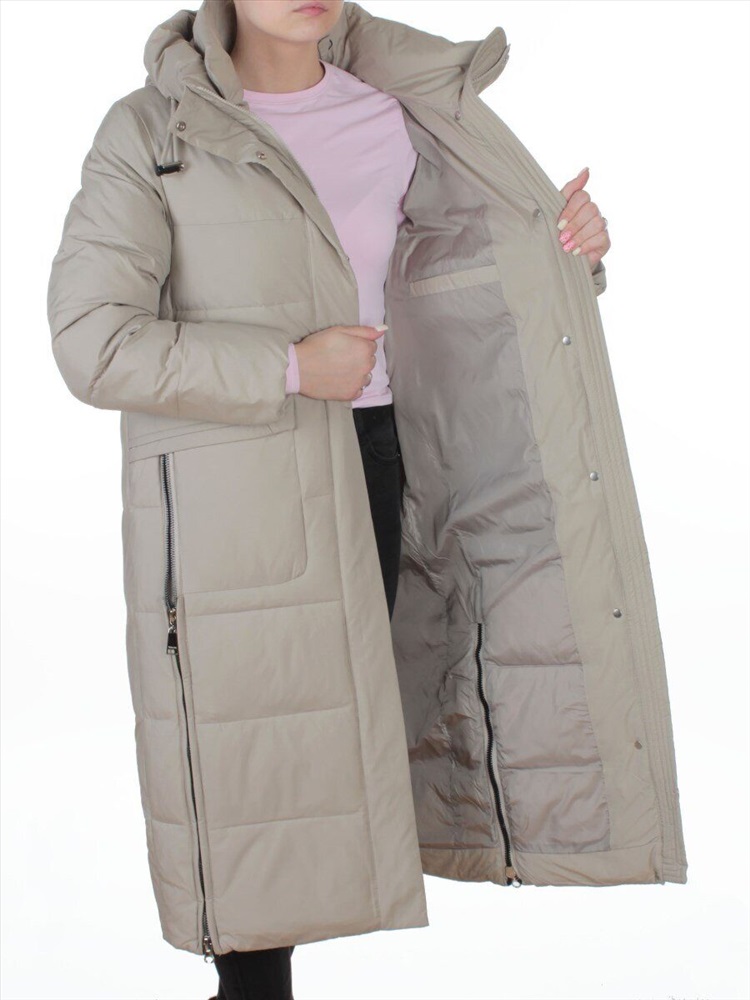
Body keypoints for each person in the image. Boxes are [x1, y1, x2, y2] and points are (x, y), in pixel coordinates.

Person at [49, 4, 690, 1000]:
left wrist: (570, 254)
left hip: (390, 457)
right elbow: (93, 341)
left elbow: (460, 277)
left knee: (356, 751)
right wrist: (288, 367)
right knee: (261, 765)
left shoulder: (400, 109)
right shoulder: (154, 132)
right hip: (238, 490)